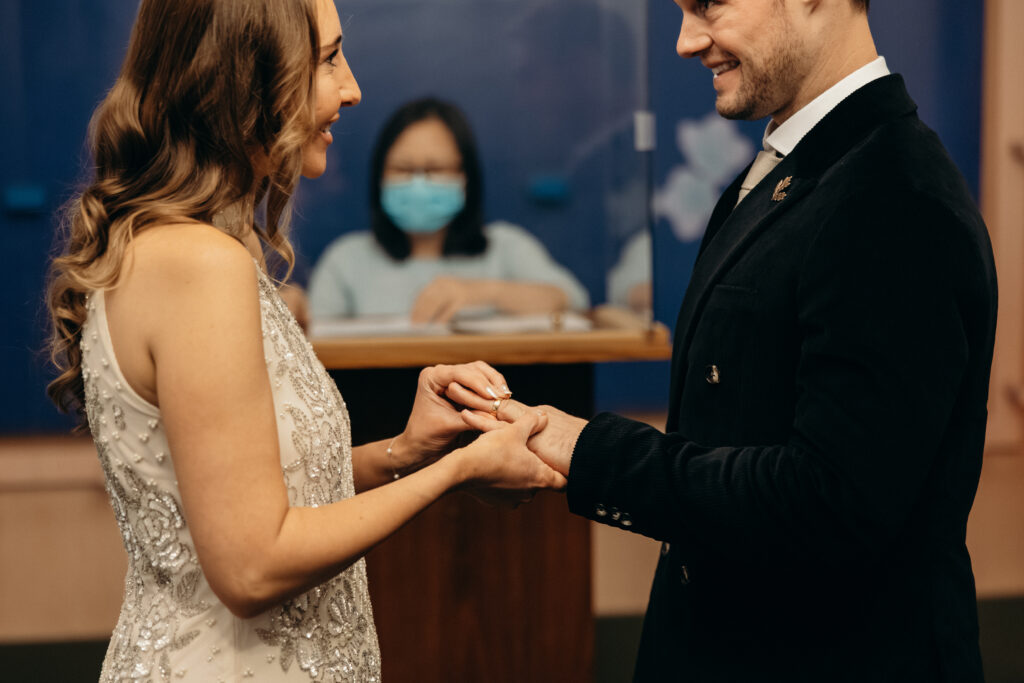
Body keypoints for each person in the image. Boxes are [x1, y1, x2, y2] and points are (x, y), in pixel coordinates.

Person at [461, 0, 998, 680]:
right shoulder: (791, 170)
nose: (686, 41)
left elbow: (829, 503)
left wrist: (589, 450)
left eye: (709, 4)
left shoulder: (897, 194)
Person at [44, 0, 563, 679]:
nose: (351, 88)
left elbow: (257, 494)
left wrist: (405, 452)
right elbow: (253, 565)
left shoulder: (196, 248)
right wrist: (457, 470)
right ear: (242, 77)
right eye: (327, 59)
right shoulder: (200, 264)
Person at [307, 97, 590, 323]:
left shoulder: (506, 247)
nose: (418, 184)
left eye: (435, 169)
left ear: (465, 178)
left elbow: (572, 300)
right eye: (403, 170)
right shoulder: (346, 260)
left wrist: (483, 292)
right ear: (379, 177)